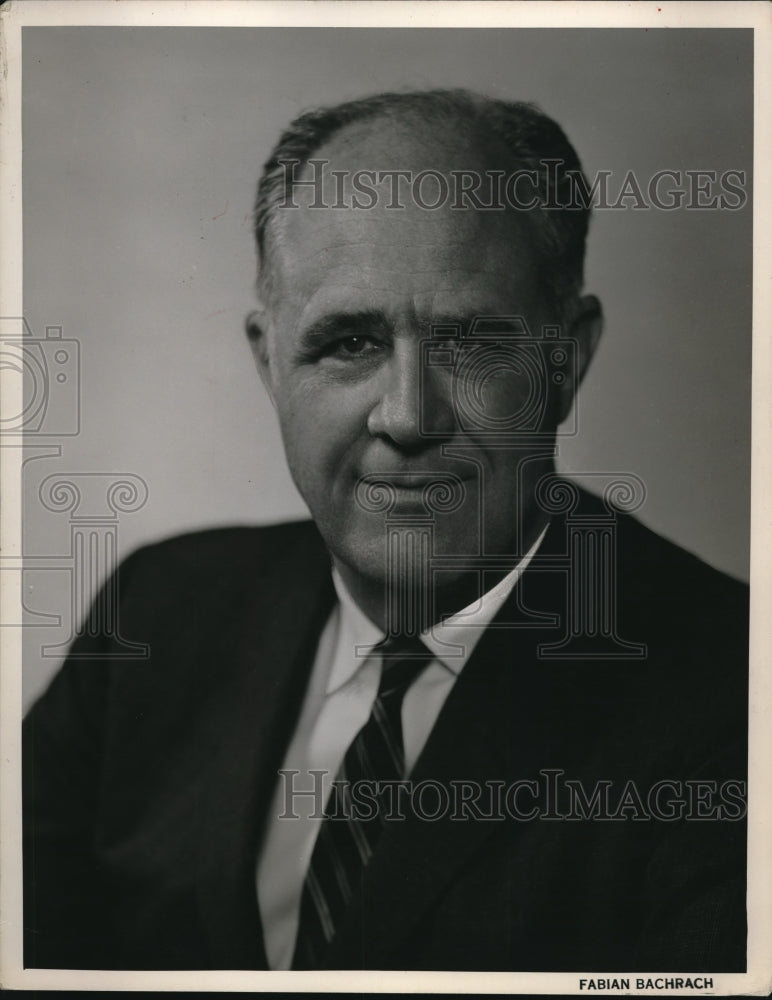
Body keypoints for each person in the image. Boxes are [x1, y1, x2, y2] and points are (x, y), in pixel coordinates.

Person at [23, 89, 748, 973]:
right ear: (268, 360)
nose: (408, 416)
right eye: (350, 344)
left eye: (473, 342)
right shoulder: (155, 615)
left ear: (569, 359)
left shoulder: (736, 699)